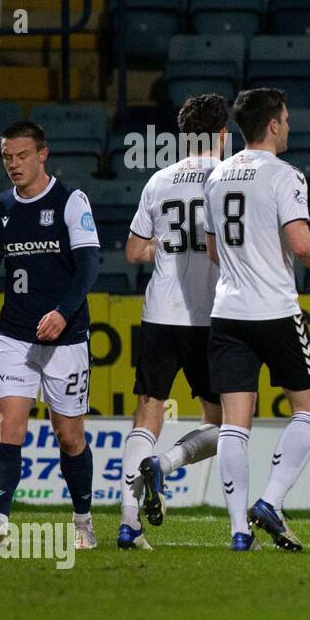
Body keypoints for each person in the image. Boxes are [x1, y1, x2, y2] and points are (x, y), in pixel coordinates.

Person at [203, 89, 310, 551]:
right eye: (287, 119)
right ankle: (271, 501)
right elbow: (300, 243)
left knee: (235, 424)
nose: (289, 126)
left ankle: (238, 531)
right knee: (308, 407)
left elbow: (215, 250)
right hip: (274, 311)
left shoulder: (216, 177)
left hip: (227, 314)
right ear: (273, 125)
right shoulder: (285, 175)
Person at [0, 122, 101, 549]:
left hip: (65, 339)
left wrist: (64, 314)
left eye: (21, 155)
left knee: (70, 435)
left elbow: (88, 268)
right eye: (7, 156)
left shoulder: (70, 201)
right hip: (15, 336)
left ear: (42, 155)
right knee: (10, 425)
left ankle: (82, 522)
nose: (13, 164)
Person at [117, 94, 228, 550]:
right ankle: (165, 463)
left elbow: (132, 251)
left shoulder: (159, 181)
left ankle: (128, 522)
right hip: (212, 315)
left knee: (147, 411)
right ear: (222, 134)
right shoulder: (228, 179)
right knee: (226, 424)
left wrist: (162, 248)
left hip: (160, 313)